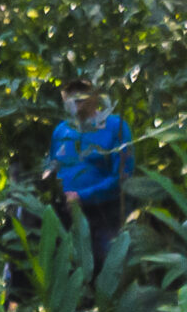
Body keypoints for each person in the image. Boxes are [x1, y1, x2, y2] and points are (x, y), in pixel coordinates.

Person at [48, 77, 134, 270]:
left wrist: (82, 196)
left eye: (82, 90)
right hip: (66, 215)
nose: (76, 96)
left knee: (108, 269)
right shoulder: (61, 131)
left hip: (105, 215)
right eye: (71, 91)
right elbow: (53, 167)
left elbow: (123, 177)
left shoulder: (115, 126)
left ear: (95, 95)